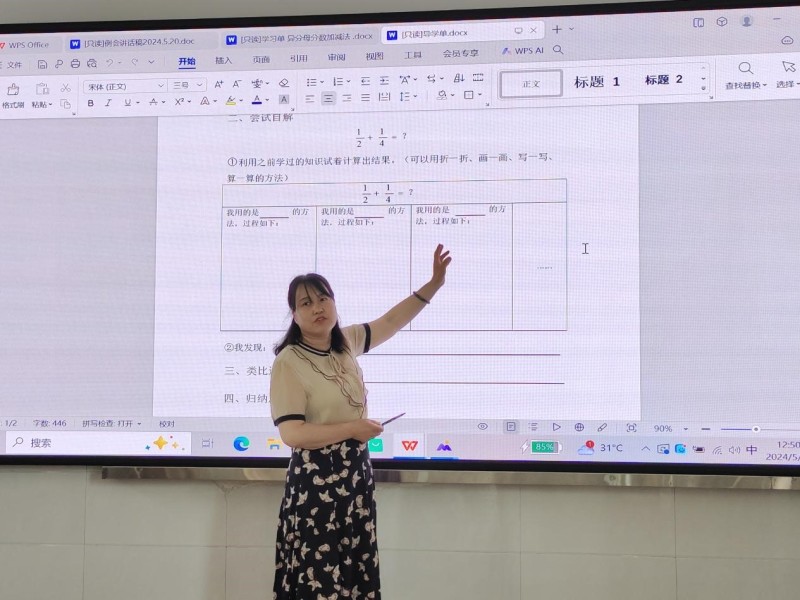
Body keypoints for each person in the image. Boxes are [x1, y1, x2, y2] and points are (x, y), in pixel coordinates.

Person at [270, 244, 452, 600]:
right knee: (319, 582)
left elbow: (391, 322)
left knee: (355, 577)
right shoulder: (289, 361)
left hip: (355, 480)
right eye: (306, 303)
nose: (317, 308)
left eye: (323, 299)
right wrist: (354, 429)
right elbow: (292, 433)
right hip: (316, 489)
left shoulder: (346, 343)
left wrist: (434, 284)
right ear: (294, 315)